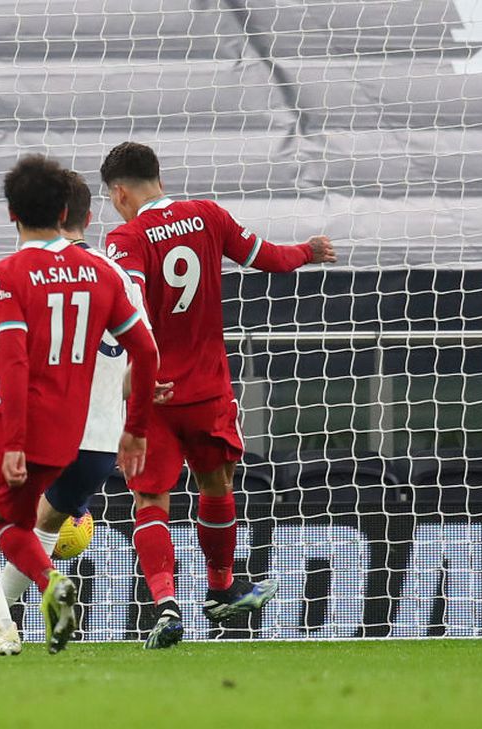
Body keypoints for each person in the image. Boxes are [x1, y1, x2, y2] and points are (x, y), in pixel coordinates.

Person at [0, 155, 160, 663]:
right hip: (70, 431)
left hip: (12, 418)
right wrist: (138, 430)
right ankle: (51, 581)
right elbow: (147, 352)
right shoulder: (104, 273)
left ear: (11, 214)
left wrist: (13, 441)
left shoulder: (8, 273)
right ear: (66, 212)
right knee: (1, 523)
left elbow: (14, 359)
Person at [99, 141, 337, 649]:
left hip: (155, 389)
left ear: (120, 193)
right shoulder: (207, 215)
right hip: (208, 389)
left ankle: (166, 604)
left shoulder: (125, 237)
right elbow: (268, 257)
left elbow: (129, 302)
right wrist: (308, 252)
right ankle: (222, 586)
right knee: (216, 484)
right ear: (158, 179)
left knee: (149, 498)